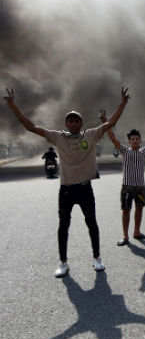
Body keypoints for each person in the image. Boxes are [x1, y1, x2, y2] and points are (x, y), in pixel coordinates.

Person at [4, 87, 130, 277]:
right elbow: (31, 127)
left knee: (92, 224)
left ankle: (97, 258)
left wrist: (123, 103)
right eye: (70, 120)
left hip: (85, 189)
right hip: (66, 190)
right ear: (66, 123)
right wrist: (12, 106)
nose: (73, 123)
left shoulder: (91, 135)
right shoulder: (58, 137)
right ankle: (63, 262)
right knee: (63, 226)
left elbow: (110, 122)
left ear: (81, 123)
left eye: (76, 120)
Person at [100, 112, 145, 246]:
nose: (135, 140)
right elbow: (112, 137)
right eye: (132, 139)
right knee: (126, 210)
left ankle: (137, 232)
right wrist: (105, 122)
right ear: (129, 141)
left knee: (139, 208)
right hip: (127, 187)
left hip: (140, 187)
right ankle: (125, 236)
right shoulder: (124, 150)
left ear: (140, 140)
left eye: (137, 138)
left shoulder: (143, 151)